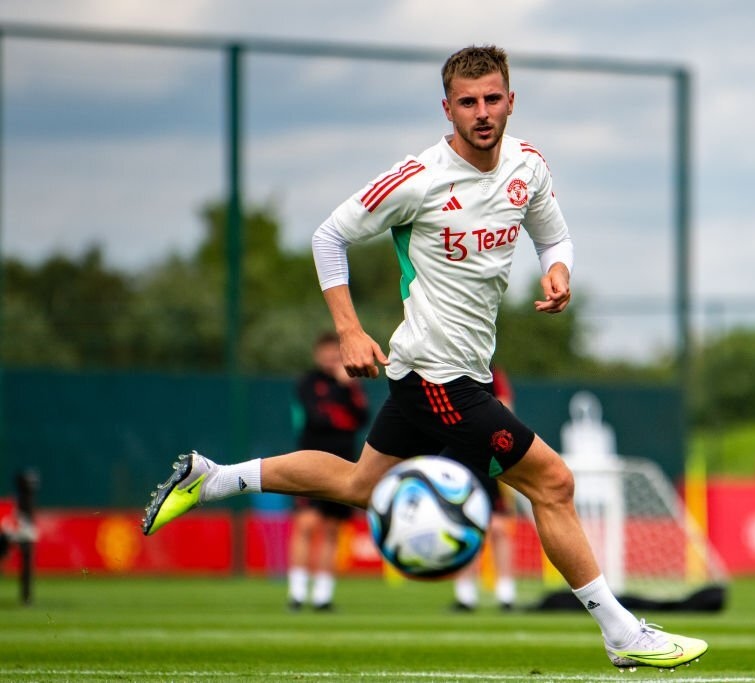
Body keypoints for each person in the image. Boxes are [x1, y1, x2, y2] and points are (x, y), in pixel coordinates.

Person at [141, 45, 707, 670]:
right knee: (554, 483)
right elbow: (328, 235)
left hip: (449, 373)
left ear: (511, 101)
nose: (483, 112)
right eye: (468, 102)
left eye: (493, 99)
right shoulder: (419, 178)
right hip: (441, 378)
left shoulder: (528, 166)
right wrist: (351, 331)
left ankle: (215, 477)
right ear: (448, 109)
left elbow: (553, 232)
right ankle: (621, 633)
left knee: (362, 484)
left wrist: (558, 271)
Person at [287, 331, 369, 611]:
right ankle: (297, 593)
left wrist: (346, 389)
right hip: (309, 462)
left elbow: (361, 418)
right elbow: (318, 418)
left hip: (343, 462)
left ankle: (323, 596)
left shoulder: (351, 384)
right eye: (328, 353)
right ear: (317, 354)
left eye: (337, 354)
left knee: (333, 529)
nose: (332, 358)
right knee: (306, 524)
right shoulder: (308, 383)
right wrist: (340, 414)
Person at [452, 364, 517, 612]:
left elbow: (506, 409)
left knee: (499, 527)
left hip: (490, 458)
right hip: (459, 458)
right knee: (465, 527)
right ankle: (465, 595)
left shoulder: (493, 374)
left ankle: (506, 593)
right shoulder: (446, 370)